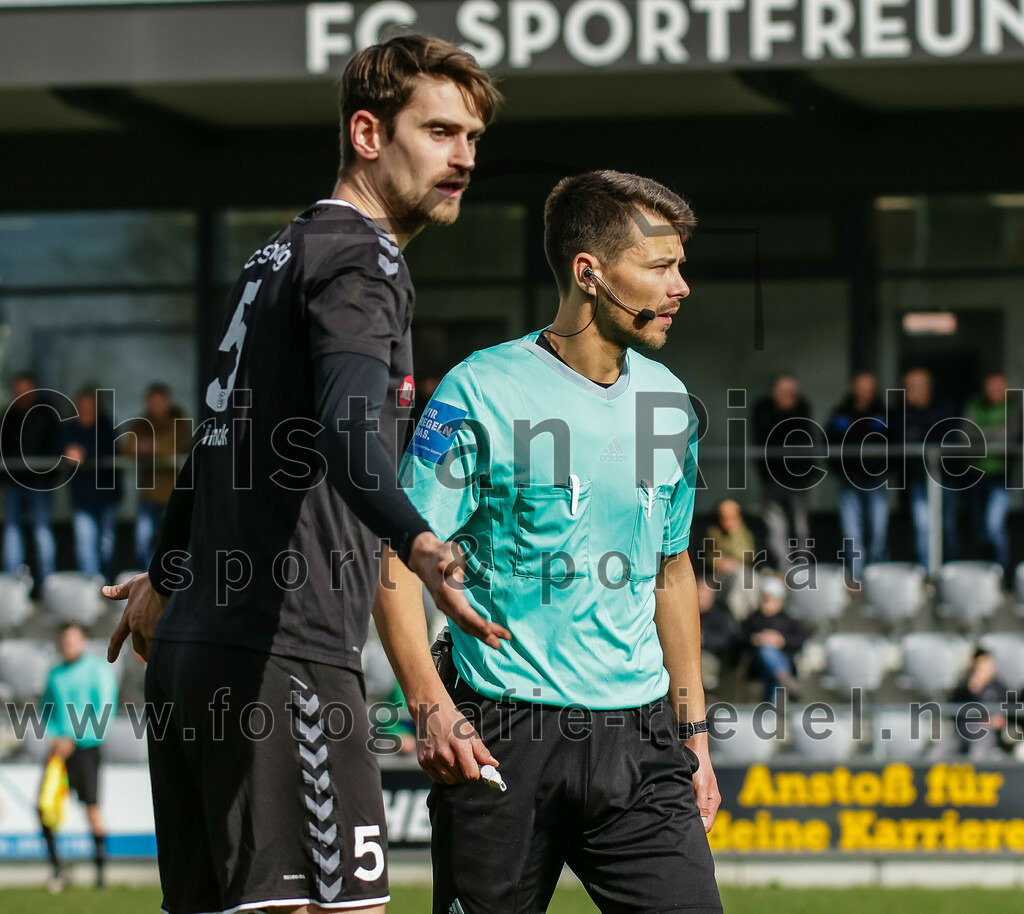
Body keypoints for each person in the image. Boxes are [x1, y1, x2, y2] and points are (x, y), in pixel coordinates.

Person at [102, 35, 506, 914]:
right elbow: (348, 427)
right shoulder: (366, 258)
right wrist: (420, 536)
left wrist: (165, 581)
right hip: (280, 654)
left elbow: (215, 439)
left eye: (472, 137)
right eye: (439, 131)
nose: (463, 157)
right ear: (368, 132)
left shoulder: (275, 257)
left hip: (195, 653)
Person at [375, 170, 722, 913]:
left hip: (642, 737)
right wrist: (429, 705)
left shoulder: (670, 403)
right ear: (589, 273)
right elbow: (398, 561)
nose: (681, 286)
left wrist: (693, 732)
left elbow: (670, 569)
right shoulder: (480, 391)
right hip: (504, 733)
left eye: (680, 267)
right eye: (661, 267)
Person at [39, 622, 119, 891]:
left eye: (73, 640)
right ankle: (58, 870)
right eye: (65, 640)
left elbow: (104, 712)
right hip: (59, 752)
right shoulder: (55, 674)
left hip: (86, 749)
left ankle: (101, 875)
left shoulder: (98, 671)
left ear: (83, 641)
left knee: (92, 809)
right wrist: (54, 737)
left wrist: (74, 737)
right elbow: (46, 712)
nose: (68, 645)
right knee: (45, 808)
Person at [826, 372, 889, 584]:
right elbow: (829, 444)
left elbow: (894, 442)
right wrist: (840, 470)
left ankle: (876, 575)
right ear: (853, 388)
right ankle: (856, 575)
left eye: (869, 387)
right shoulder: (840, 414)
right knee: (852, 532)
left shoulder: (883, 413)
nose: (865, 392)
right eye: (861, 386)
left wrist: (885, 469)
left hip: (876, 479)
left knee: (877, 529)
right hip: (848, 479)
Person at [751, 373, 818, 571]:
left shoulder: (802, 406)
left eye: (792, 391)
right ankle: (784, 569)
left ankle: (803, 568)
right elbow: (765, 439)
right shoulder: (763, 409)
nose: (789, 395)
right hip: (772, 477)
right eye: (784, 391)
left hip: (799, 478)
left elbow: (802, 437)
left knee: (800, 527)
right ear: (774, 391)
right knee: (776, 527)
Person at [119, 382, 188, 569]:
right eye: (151, 402)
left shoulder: (179, 422)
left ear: (167, 402)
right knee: (143, 539)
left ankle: (170, 580)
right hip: (148, 494)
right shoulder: (141, 424)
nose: (155, 406)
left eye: (159, 402)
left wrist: (152, 447)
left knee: (171, 541)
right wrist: (145, 448)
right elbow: (127, 448)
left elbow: (179, 445)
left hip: (172, 494)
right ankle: (148, 579)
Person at [0, 371, 60, 582]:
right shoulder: (8, 417)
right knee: (11, 532)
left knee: (41, 532)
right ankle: (11, 585)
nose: (22, 395)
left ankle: (48, 583)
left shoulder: (47, 414)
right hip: (12, 482)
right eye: (18, 391)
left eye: (26, 390)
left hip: (39, 483)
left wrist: (48, 475)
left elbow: (56, 446)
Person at [900, 367, 959, 570]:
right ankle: (928, 574)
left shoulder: (944, 408)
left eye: (915, 386)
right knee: (923, 527)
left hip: (945, 477)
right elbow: (900, 438)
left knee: (947, 527)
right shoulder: (902, 412)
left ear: (927, 388)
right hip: (917, 478)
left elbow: (948, 437)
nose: (910, 391)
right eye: (908, 386)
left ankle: (950, 572)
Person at [60, 389, 121, 580]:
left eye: (89, 407)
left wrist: (84, 453)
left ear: (97, 408)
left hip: (107, 496)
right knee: (85, 544)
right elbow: (56, 448)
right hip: (82, 497)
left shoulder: (105, 426)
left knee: (106, 544)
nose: (85, 411)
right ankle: (92, 587)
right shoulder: (69, 429)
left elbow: (110, 450)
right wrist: (66, 452)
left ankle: (105, 584)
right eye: (82, 407)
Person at [966, 372, 1017, 572]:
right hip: (976, 473)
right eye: (991, 387)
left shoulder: (1014, 407)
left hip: (1002, 475)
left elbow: (1012, 436)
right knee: (980, 529)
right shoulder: (975, 405)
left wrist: (984, 434)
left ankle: (1001, 572)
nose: (995, 392)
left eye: (999, 387)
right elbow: (967, 434)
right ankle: (985, 573)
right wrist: (997, 433)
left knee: (993, 525)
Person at [739, 576, 806, 701]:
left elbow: (800, 640)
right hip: (757, 665)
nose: (766, 604)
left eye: (769, 600)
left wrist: (781, 640)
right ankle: (785, 680)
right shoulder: (753, 620)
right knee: (766, 651)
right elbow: (738, 639)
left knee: (770, 658)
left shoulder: (788, 621)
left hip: (784, 661)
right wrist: (755, 639)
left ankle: (776, 693)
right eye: (764, 600)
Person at [951, 648, 1011, 759]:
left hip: (986, 733)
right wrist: (973, 689)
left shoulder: (1000, 688)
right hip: (961, 732)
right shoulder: (964, 687)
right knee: (941, 750)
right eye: (980, 665)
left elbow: (1008, 714)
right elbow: (954, 708)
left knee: (979, 750)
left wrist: (996, 719)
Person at [704, 497, 758, 617]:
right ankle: (741, 617)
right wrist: (722, 563)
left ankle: (748, 615)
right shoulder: (712, 532)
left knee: (747, 578)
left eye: (732, 517)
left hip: (742, 572)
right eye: (724, 517)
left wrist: (733, 533)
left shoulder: (744, 533)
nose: (728, 521)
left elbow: (748, 556)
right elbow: (709, 558)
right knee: (741, 578)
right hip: (719, 576)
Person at [697, 575, 740, 694]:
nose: (701, 596)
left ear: (712, 596)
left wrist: (703, 639)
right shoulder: (685, 614)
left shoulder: (720, 615)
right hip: (685, 655)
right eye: (698, 592)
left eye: (705, 594)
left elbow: (725, 640)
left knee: (702, 665)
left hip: (710, 656)